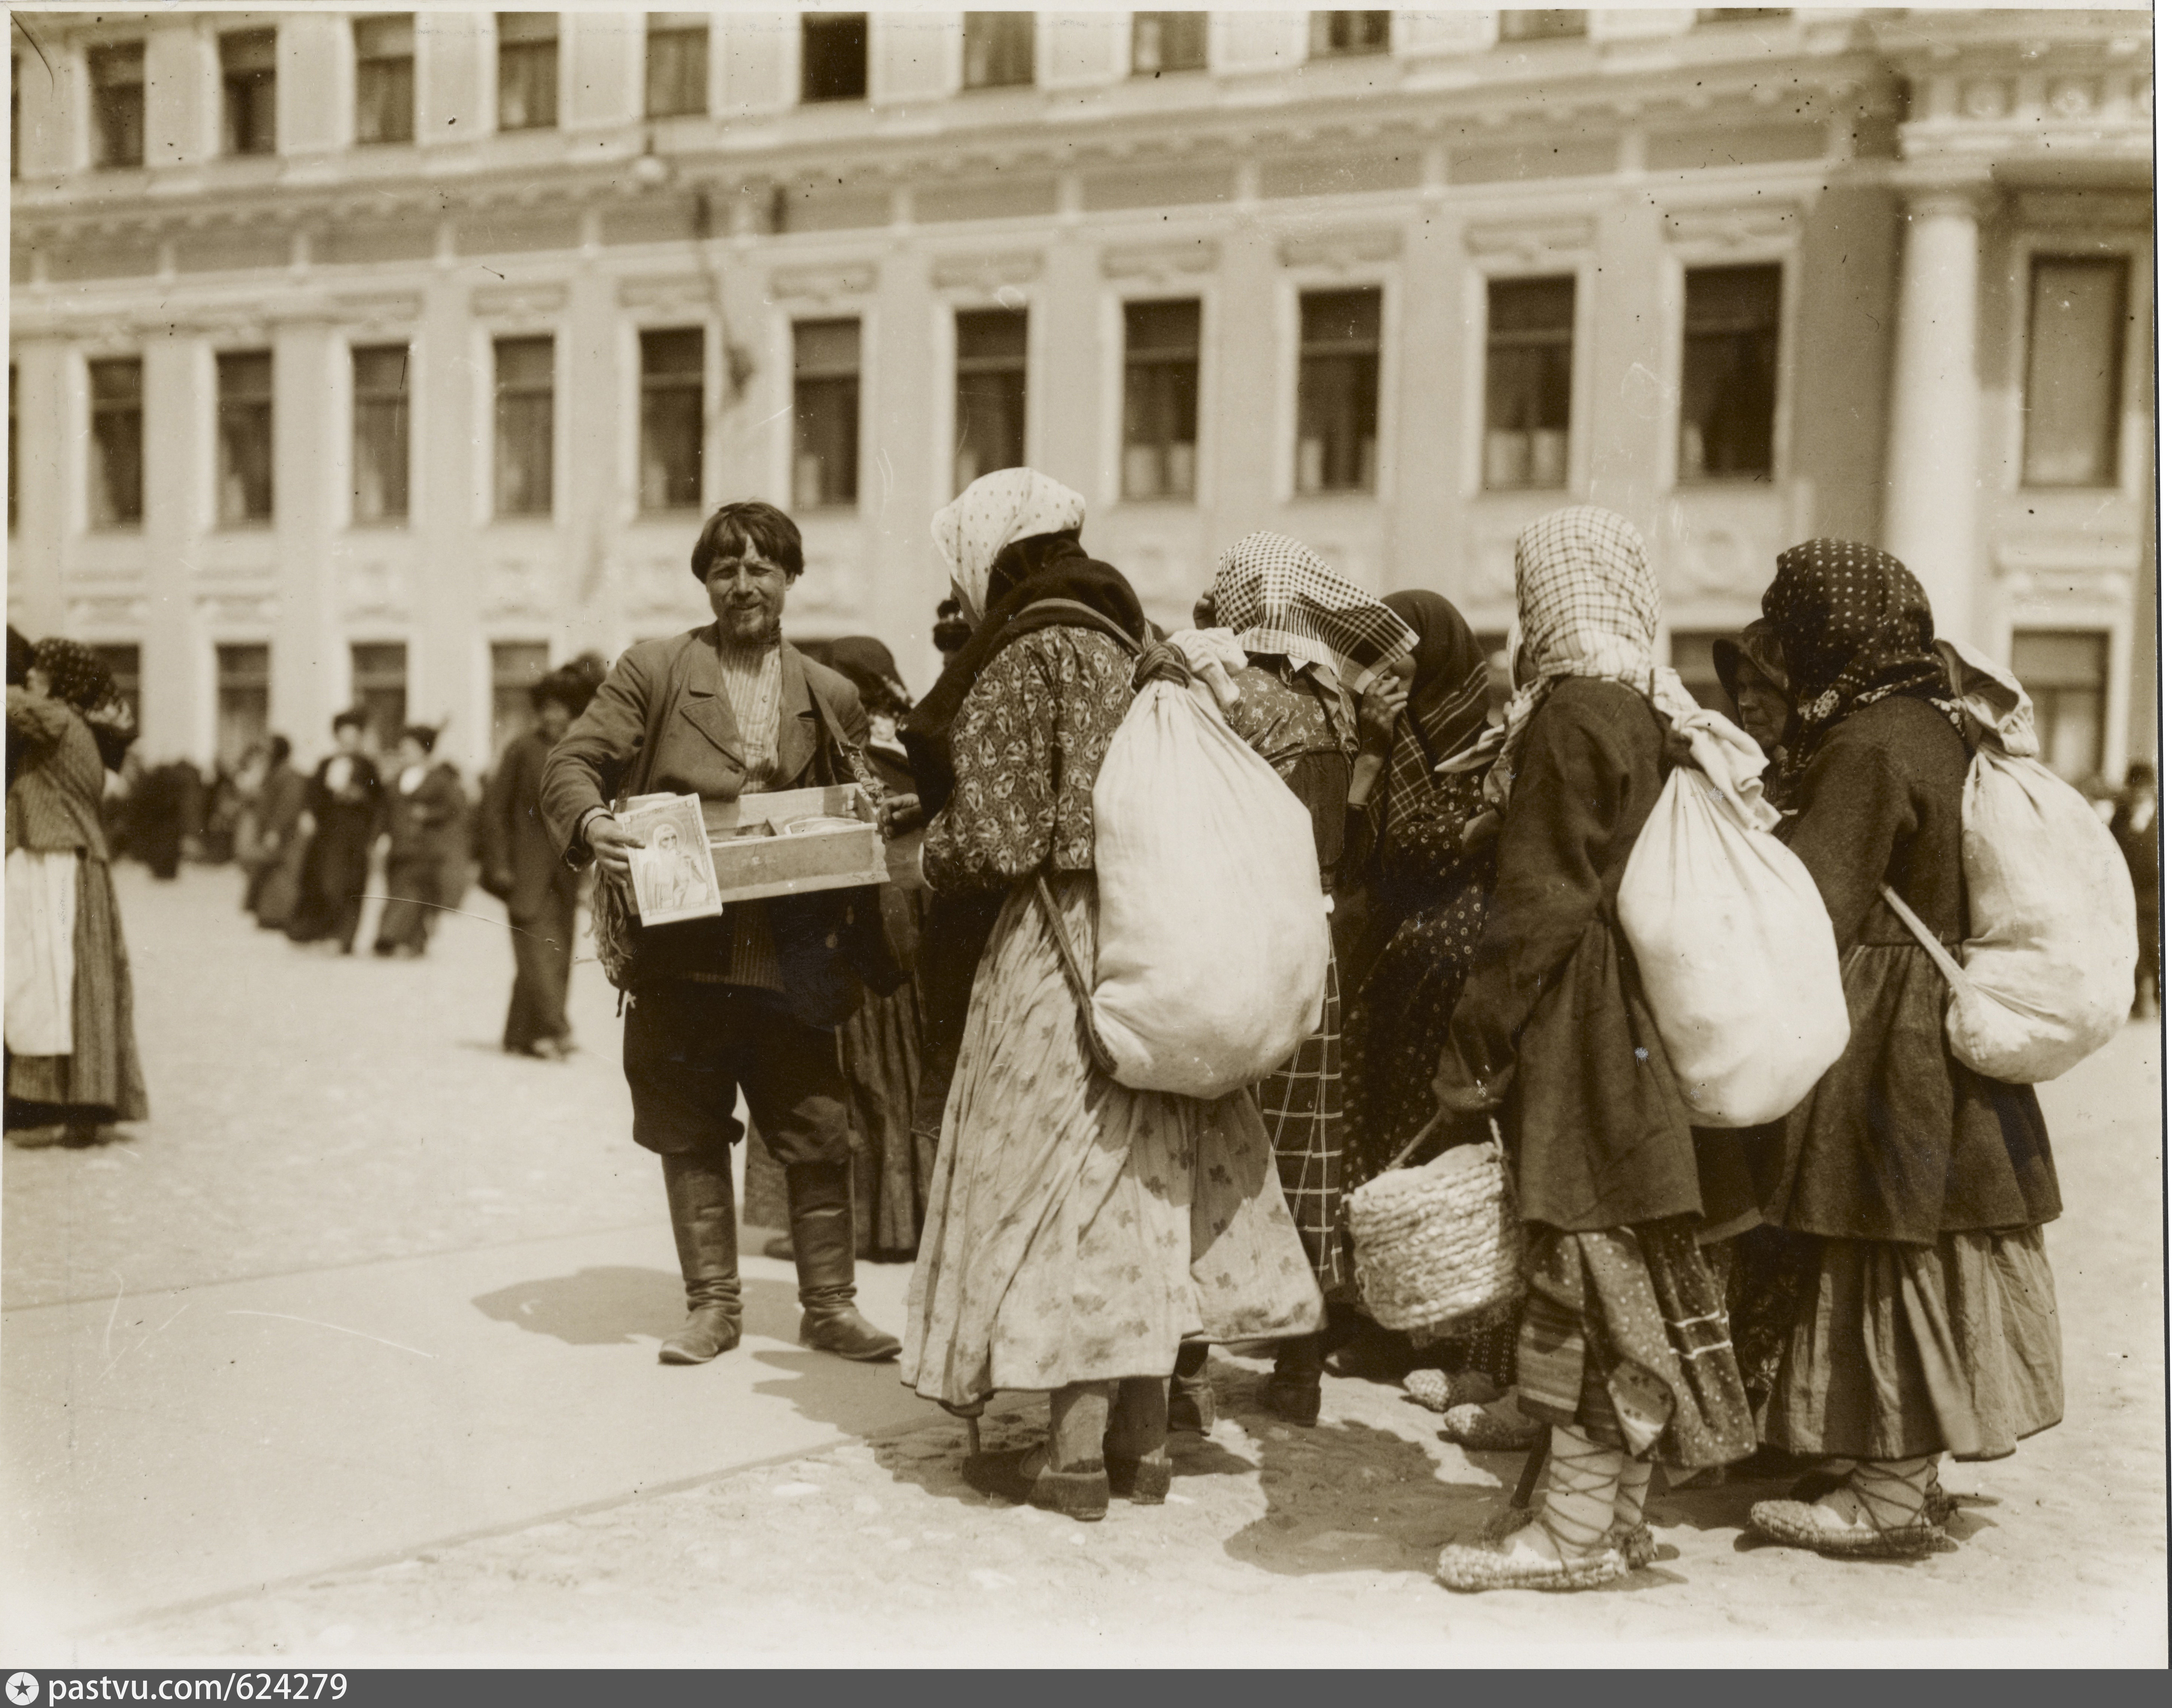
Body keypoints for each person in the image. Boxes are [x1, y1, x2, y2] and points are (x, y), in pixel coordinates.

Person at [899, 468, 1322, 1524]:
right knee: (1143, 1191)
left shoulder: (1024, 651)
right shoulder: (1135, 641)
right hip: (1157, 933)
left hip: (1059, 953)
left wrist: (919, 857)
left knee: (1059, 1190)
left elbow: (997, 838)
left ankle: (1072, 1455)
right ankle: (1142, 1444)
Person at [1431, 507, 1755, 1593]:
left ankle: (1570, 1532)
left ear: (1548, 603)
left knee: (1578, 1275)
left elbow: (1538, 906)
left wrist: (1475, 1048)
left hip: (1581, 1029)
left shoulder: (1570, 718)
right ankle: (1612, 1514)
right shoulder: (1652, 708)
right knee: (1627, 1277)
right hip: (1640, 1029)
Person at [1740, 540, 2063, 1560]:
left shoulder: (1867, 742)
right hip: (1946, 1016)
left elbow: (1818, 901)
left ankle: (1887, 1490)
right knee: (1929, 1231)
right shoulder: (1943, 725)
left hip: (1890, 1020)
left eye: (1794, 630)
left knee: (1883, 1235)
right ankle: (1885, 1462)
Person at [540, 499, 903, 1368]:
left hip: (792, 956)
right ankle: (712, 1308)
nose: (744, 584)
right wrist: (593, 827)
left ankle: (830, 1305)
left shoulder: (830, 691)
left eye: (761, 567)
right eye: (726, 568)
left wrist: (877, 811)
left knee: (817, 1127)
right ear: (705, 580)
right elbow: (571, 760)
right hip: (683, 954)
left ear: (789, 579)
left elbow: (873, 796)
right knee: (687, 1125)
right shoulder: (656, 670)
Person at [1180, 531, 1419, 1426]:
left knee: (1204, 1142)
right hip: (1310, 944)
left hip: (1229, 934)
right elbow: (1350, 846)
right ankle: (1299, 1370)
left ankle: (1187, 1370)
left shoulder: (1222, 692)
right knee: (1303, 1156)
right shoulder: (1334, 705)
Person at [1338, 589, 1512, 1414]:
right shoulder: (1381, 730)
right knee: (1386, 1131)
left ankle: (1451, 1333)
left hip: (1464, 963)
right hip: (1397, 966)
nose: (1387, 672)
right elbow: (1366, 848)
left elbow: (1453, 839)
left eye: (1401, 654)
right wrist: (1371, 753)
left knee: (1449, 1144)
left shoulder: (1492, 722)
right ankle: (1388, 1320)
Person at [746, 635, 930, 1262]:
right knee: (899, 1075)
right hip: (909, 924)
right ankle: (904, 1220)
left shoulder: (840, 747)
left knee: (851, 1074)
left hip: (854, 921)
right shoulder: (915, 740)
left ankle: (848, 1225)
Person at [6, 640, 149, 1147]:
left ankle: (56, 1109)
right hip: (75, 862)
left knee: (50, 982)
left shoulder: (56, 719)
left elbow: (9, 703)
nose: (30, 679)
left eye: (39, 672)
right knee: (80, 985)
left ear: (59, 683)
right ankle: (86, 1106)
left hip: (60, 861)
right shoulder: (76, 726)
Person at [481, 668, 593, 1061]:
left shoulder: (579, 751)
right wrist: (498, 865)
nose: (553, 717)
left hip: (565, 873)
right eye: (546, 708)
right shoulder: (521, 749)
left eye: (561, 709)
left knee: (557, 952)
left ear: (572, 713)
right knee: (534, 952)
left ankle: (519, 1036)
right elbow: (494, 810)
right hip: (523, 871)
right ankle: (556, 1030)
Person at [286, 711, 384, 954]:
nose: (348, 742)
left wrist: (359, 797)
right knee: (321, 884)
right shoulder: (326, 764)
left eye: (353, 737)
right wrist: (308, 814)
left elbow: (379, 801)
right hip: (326, 834)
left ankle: (343, 938)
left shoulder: (367, 767)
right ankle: (320, 933)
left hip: (353, 835)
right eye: (344, 737)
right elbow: (313, 795)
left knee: (347, 885)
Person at [373, 725, 466, 957]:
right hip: (399, 845)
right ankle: (412, 942)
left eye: (409, 749)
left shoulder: (440, 779)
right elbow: (385, 812)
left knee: (414, 892)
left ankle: (391, 937)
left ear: (424, 751)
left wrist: (429, 814)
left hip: (427, 847)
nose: (404, 753)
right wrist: (379, 837)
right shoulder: (396, 780)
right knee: (398, 890)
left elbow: (456, 809)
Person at [240, 736, 308, 929]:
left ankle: (280, 916)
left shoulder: (289, 775)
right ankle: (269, 915)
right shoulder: (273, 773)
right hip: (272, 831)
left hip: (286, 834)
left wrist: (275, 830)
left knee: (283, 874)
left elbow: (288, 806)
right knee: (272, 872)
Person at [2111, 759, 2159, 1018]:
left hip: (2156, 898)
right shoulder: (2120, 817)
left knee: (2155, 949)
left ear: (2152, 788)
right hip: (2129, 897)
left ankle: (2159, 999)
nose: (2138, 792)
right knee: (2132, 950)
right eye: (2134, 787)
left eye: (2144, 787)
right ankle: (2135, 1000)